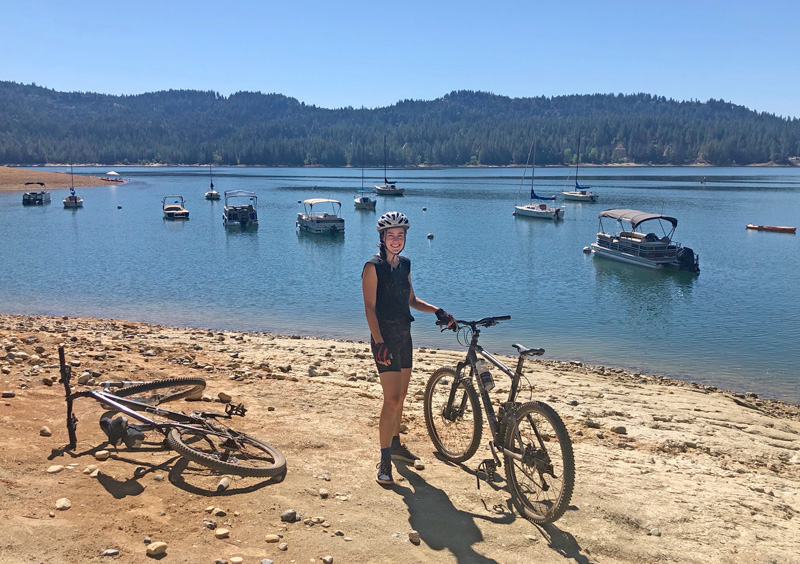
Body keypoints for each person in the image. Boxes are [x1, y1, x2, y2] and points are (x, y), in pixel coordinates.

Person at [362, 211, 456, 485]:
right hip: (384, 339)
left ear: (404, 238)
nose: (395, 239)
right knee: (390, 400)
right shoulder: (372, 267)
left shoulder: (405, 264)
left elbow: (412, 299)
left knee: (401, 396)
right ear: (382, 238)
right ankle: (384, 460)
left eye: (400, 235)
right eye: (390, 235)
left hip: (405, 335)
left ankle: (396, 445)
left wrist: (438, 310)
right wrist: (378, 341)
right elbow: (369, 307)